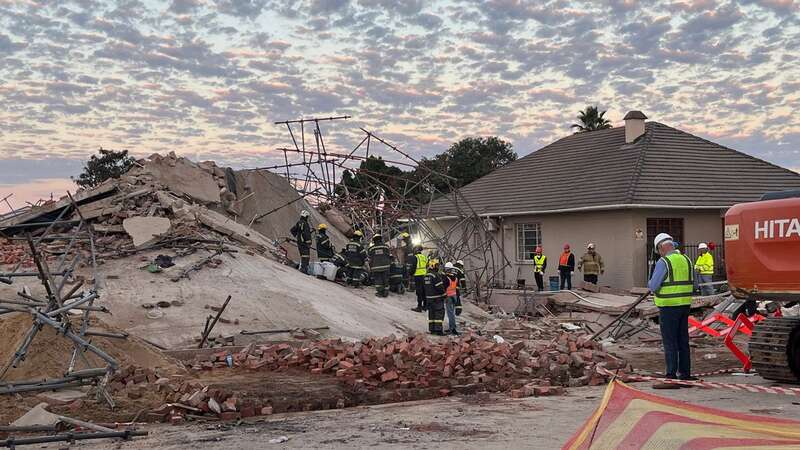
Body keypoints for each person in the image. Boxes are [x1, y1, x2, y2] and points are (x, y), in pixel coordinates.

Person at [648, 232, 699, 381]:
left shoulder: (664, 262)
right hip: (685, 305)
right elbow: (695, 284)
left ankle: (671, 373)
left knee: (670, 341)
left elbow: (654, 286)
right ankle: (685, 373)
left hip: (668, 307)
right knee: (683, 340)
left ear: (661, 248)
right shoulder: (687, 260)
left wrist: (650, 284)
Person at [424, 259, 446, 335]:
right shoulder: (435, 275)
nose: (438, 267)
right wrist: (444, 294)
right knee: (439, 314)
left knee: (431, 314)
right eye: (437, 265)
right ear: (433, 265)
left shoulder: (426, 275)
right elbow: (439, 287)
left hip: (429, 299)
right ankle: (438, 330)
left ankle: (432, 329)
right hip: (437, 298)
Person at [443, 262, 460, 335]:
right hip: (454, 296)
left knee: (450, 313)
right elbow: (457, 287)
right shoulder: (455, 277)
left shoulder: (446, 278)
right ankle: (452, 327)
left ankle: (452, 328)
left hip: (448, 296)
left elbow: (443, 287)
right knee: (452, 312)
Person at [412, 246, 428, 312]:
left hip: (418, 276)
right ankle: (425, 306)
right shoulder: (424, 257)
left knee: (419, 292)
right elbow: (427, 265)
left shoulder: (415, 257)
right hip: (424, 275)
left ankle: (419, 307)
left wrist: (410, 273)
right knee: (424, 291)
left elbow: (413, 267)